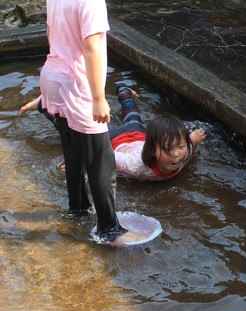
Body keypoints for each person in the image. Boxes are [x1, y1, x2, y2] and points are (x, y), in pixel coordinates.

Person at [28, 0, 125, 244]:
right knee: (101, 161)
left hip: (53, 75)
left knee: (73, 154)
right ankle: (108, 230)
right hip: (76, 85)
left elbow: (51, 34)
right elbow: (91, 46)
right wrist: (99, 97)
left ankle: (78, 210)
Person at [21, 83, 207, 181]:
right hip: (116, 142)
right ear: (153, 151)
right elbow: (104, 156)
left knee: (134, 119)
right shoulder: (136, 165)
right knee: (77, 136)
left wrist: (194, 138)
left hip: (139, 136)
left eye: (179, 147)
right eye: (168, 150)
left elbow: (189, 141)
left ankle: (124, 90)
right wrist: (79, 165)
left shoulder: (185, 152)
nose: (176, 154)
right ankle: (44, 107)